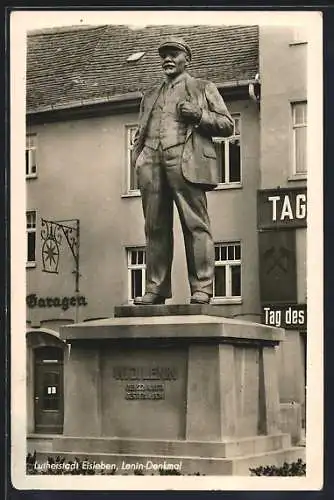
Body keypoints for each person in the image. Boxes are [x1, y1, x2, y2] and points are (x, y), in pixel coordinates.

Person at [132, 37, 234, 305]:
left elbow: (227, 125)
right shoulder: (150, 95)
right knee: (154, 226)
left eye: (174, 54)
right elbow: (142, 132)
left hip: (185, 158)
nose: (168, 58)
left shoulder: (202, 87)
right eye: (164, 55)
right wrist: (139, 158)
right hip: (152, 160)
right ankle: (156, 288)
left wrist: (199, 115)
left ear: (186, 59)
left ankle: (202, 287)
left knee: (196, 225)